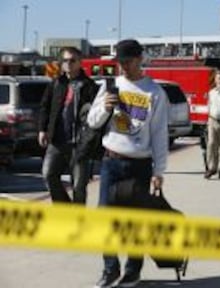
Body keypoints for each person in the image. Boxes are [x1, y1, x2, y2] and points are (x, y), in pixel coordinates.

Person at [87, 39, 168, 288]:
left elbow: (159, 134)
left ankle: (133, 272)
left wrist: (159, 171)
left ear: (140, 59)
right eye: (120, 63)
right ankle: (110, 269)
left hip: (139, 165)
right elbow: (92, 121)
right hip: (111, 162)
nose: (124, 67)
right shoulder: (111, 86)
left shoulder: (154, 92)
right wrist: (104, 109)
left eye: (128, 62)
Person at [38, 46, 99, 204]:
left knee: (78, 186)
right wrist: (42, 130)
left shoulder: (90, 86)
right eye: (65, 60)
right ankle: (64, 208)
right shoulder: (56, 83)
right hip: (57, 141)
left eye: (72, 60)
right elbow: (45, 106)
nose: (68, 64)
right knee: (48, 174)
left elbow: (97, 116)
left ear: (80, 62)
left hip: (80, 144)